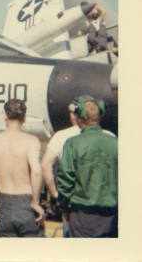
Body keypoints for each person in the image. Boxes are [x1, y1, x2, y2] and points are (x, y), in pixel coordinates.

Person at [41, 98, 115, 237]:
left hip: (81, 214)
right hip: (110, 215)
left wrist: (62, 203)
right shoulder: (113, 140)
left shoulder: (72, 143)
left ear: (80, 118)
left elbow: (65, 177)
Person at [0, 99, 44, 237]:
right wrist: (35, 202)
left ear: (5, 115)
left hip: (2, 201)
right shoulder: (31, 141)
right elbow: (36, 171)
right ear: (24, 117)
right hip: (25, 201)